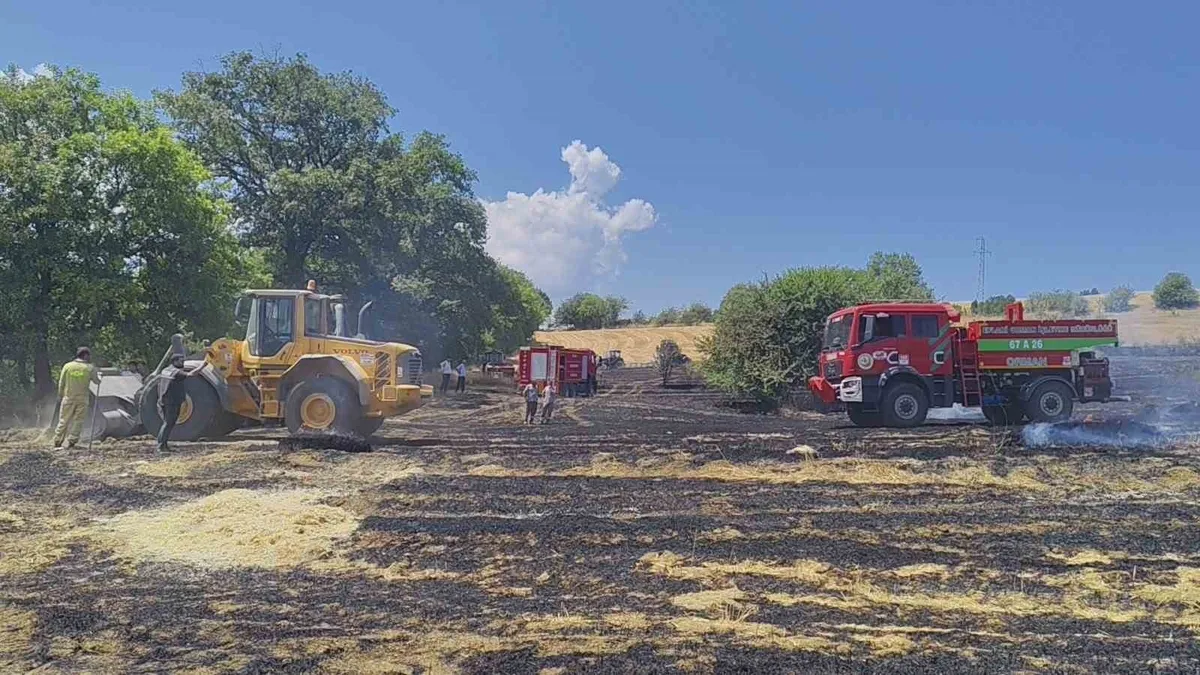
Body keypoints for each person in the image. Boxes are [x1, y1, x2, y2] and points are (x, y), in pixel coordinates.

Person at [52, 347, 100, 449]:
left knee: (63, 420)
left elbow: (61, 382)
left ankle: (57, 440)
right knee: (78, 420)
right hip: (82, 399)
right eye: (89, 355)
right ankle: (72, 441)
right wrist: (99, 375)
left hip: (68, 398)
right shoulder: (90, 368)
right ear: (85, 355)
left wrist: (60, 395)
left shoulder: (67, 366)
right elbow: (97, 381)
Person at [157, 354, 202, 453]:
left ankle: (164, 445)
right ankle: (161, 446)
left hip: (164, 400)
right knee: (168, 423)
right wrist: (203, 365)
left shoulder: (166, 370)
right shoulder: (176, 372)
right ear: (175, 361)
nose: (183, 363)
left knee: (167, 423)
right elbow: (191, 374)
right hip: (172, 402)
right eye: (181, 361)